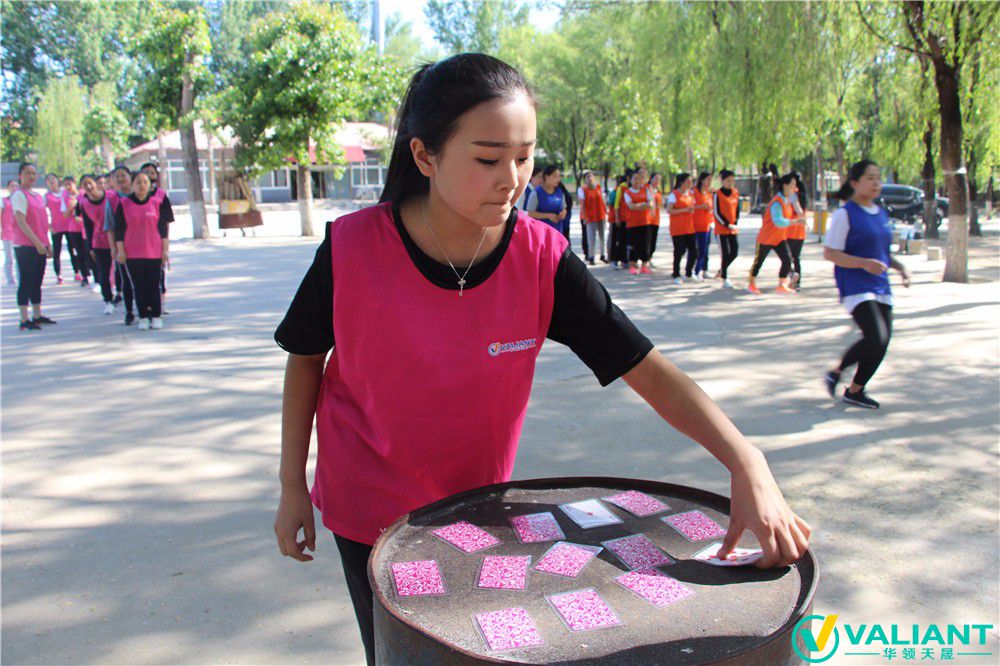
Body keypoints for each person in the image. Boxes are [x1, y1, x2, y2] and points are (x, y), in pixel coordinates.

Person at [273, 54, 811, 666]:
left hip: (477, 510)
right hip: (368, 508)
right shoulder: (351, 248)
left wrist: (746, 460)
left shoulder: (541, 258)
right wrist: (292, 486)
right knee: (400, 655)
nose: (512, 179)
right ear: (425, 156)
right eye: (488, 159)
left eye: (524, 157)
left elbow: (647, 367)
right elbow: (304, 360)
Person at [823, 160, 909, 409]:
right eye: (869, 178)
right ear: (854, 183)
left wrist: (900, 267)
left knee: (883, 341)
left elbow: (882, 252)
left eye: (878, 177)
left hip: (880, 285)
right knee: (875, 336)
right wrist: (863, 263)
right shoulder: (845, 214)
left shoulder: (880, 213)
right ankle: (837, 372)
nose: (876, 183)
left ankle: (856, 390)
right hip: (855, 285)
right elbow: (831, 253)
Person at [113, 170, 172, 330]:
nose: (142, 185)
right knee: (138, 286)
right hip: (132, 253)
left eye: (145, 182)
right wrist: (120, 251)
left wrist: (165, 250)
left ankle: (156, 315)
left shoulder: (156, 203)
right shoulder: (124, 204)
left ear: (150, 184)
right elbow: (119, 230)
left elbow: (163, 229)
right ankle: (143, 316)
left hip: (154, 251)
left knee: (154, 285)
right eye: (138, 182)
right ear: (132, 185)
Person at [10, 163, 55, 330]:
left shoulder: (37, 196)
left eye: (34, 173)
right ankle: (24, 319)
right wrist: (37, 243)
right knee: (26, 280)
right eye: (27, 173)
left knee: (37, 280)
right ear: (20, 175)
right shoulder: (19, 195)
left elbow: (43, 223)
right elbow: (21, 222)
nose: (31, 176)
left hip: (40, 244)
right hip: (25, 245)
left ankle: (37, 315)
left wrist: (47, 243)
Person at [747, 173, 799, 295]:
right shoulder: (777, 202)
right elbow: (778, 221)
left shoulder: (788, 199)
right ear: (785, 186)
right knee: (758, 262)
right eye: (793, 185)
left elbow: (797, 208)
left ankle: (782, 285)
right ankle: (751, 284)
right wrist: (795, 222)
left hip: (779, 238)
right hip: (766, 238)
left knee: (787, 260)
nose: (795, 188)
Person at [77, 174, 115, 314]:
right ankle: (108, 300)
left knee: (121, 271)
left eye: (90, 182)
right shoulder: (84, 204)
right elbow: (88, 226)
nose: (88, 186)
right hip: (99, 241)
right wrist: (91, 246)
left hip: (116, 239)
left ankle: (121, 294)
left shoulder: (110, 196)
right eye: (84, 184)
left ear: (96, 183)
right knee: (103, 272)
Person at [105, 166, 135, 324]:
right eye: (117, 176)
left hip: (143, 243)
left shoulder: (141, 194)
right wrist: (113, 249)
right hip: (123, 245)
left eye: (123, 175)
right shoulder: (112, 200)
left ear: (130, 177)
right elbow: (110, 227)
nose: (121, 179)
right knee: (126, 279)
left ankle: (149, 309)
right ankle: (129, 311)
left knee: (146, 279)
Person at [622, 167, 656, 274]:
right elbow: (631, 206)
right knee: (633, 245)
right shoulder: (627, 192)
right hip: (632, 223)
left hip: (645, 222)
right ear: (630, 180)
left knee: (645, 244)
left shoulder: (645, 190)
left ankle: (644, 266)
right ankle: (632, 266)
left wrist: (638, 205)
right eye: (635, 178)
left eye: (639, 178)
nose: (637, 181)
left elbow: (650, 204)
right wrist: (644, 204)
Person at [666, 173, 698, 284]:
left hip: (689, 228)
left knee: (694, 251)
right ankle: (676, 274)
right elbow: (669, 210)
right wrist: (684, 210)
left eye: (691, 181)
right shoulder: (674, 194)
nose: (690, 184)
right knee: (679, 251)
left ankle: (689, 273)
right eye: (688, 181)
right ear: (681, 182)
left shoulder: (691, 194)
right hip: (677, 228)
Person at [61, 176, 91, 287]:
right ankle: (84, 276)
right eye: (65, 185)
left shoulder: (83, 194)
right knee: (79, 253)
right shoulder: (65, 197)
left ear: (75, 183)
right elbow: (65, 215)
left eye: (70, 183)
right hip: (74, 229)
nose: (68, 186)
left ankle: (91, 273)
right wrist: (70, 207)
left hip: (85, 227)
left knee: (88, 252)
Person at [713, 169, 740, 289]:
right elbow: (716, 212)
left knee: (734, 252)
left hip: (732, 228)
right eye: (728, 181)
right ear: (722, 181)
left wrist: (735, 222)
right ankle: (724, 277)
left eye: (732, 181)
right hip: (721, 229)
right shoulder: (717, 194)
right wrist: (727, 224)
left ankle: (721, 270)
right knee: (724, 253)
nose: (730, 183)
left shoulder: (735, 193)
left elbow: (737, 209)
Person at [577, 170, 607, 265]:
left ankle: (603, 254)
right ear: (585, 180)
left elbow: (602, 201)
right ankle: (591, 256)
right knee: (591, 238)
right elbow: (582, 204)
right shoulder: (582, 189)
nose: (590, 178)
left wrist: (605, 212)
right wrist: (585, 217)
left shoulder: (598, 187)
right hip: (590, 217)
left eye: (591, 176)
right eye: (587, 177)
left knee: (602, 236)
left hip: (600, 215)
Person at [525, 164, 566, 233]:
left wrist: (563, 213)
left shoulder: (560, 192)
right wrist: (548, 216)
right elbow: (530, 214)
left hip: (557, 232)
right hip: (541, 232)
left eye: (559, 176)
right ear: (546, 177)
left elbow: (564, 208)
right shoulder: (536, 193)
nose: (558, 179)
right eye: (555, 176)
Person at [786, 172, 808, 289]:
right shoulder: (803, 194)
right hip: (800, 233)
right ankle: (797, 283)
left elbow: (796, 209)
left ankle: (792, 276)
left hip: (790, 230)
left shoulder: (792, 195)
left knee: (785, 258)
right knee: (796, 258)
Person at [692, 172, 714, 280]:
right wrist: (701, 206)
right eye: (708, 179)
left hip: (706, 225)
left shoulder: (709, 194)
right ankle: (692, 270)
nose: (709, 182)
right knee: (695, 250)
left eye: (710, 180)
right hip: (695, 226)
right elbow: (690, 206)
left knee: (704, 250)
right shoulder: (694, 192)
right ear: (702, 180)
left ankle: (701, 270)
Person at [2, 179, 19, 286]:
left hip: (19, 233)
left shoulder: (20, 200)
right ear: (8, 188)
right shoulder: (4, 201)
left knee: (19, 258)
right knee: (9, 258)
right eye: (12, 186)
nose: (14, 188)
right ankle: (10, 280)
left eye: (16, 186)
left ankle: (21, 279)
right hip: (7, 233)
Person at [647, 172, 663, 267]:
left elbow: (660, 205)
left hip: (656, 219)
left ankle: (650, 258)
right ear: (651, 179)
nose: (657, 181)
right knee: (647, 240)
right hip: (647, 219)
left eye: (659, 179)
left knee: (653, 240)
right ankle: (645, 259)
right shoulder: (647, 189)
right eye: (655, 178)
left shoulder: (658, 192)